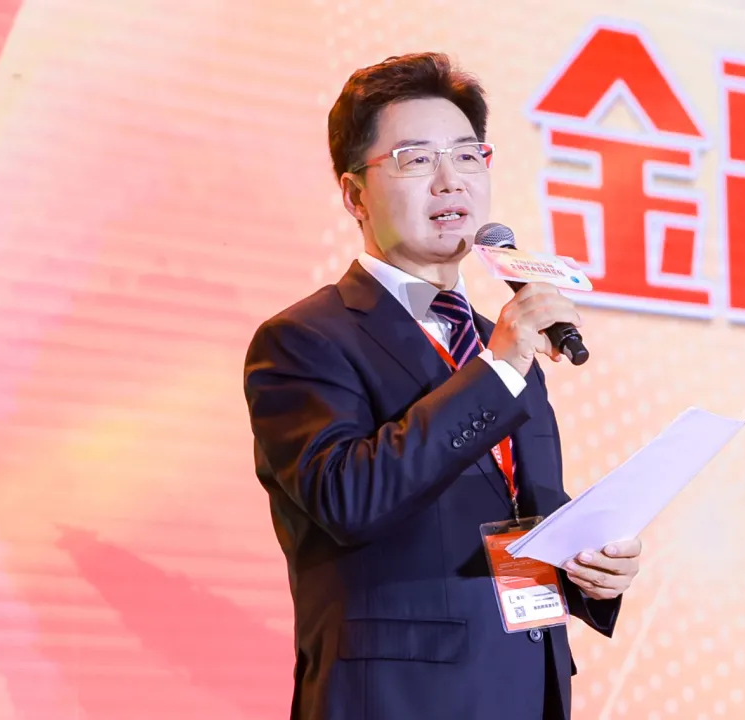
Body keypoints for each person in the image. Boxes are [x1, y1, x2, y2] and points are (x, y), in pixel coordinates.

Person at [242, 51, 643, 720]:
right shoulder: (304, 339)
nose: (450, 180)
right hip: (398, 700)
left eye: (466, 155)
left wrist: (592, 569)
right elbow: (349, 497)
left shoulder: (502, 341)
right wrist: (499, 368)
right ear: (354, 195)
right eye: (416, 159)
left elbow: (517, 519)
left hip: (526, 692)